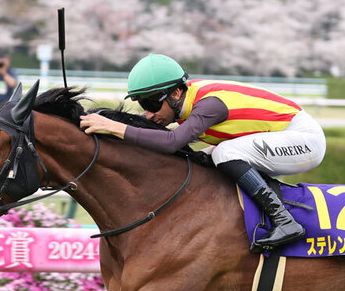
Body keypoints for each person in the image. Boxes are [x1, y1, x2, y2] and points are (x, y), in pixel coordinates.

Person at [79, 54, 326, 249]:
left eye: (152, 103)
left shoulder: (209, 104)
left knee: (224, 153)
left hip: (304, 140)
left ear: (176, 93)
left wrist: (116, 127)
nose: (148, 113)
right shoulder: (190, 100)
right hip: (281, 136)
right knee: (207, 156)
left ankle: (285, 221)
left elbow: (171, 142)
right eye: (143, 105)